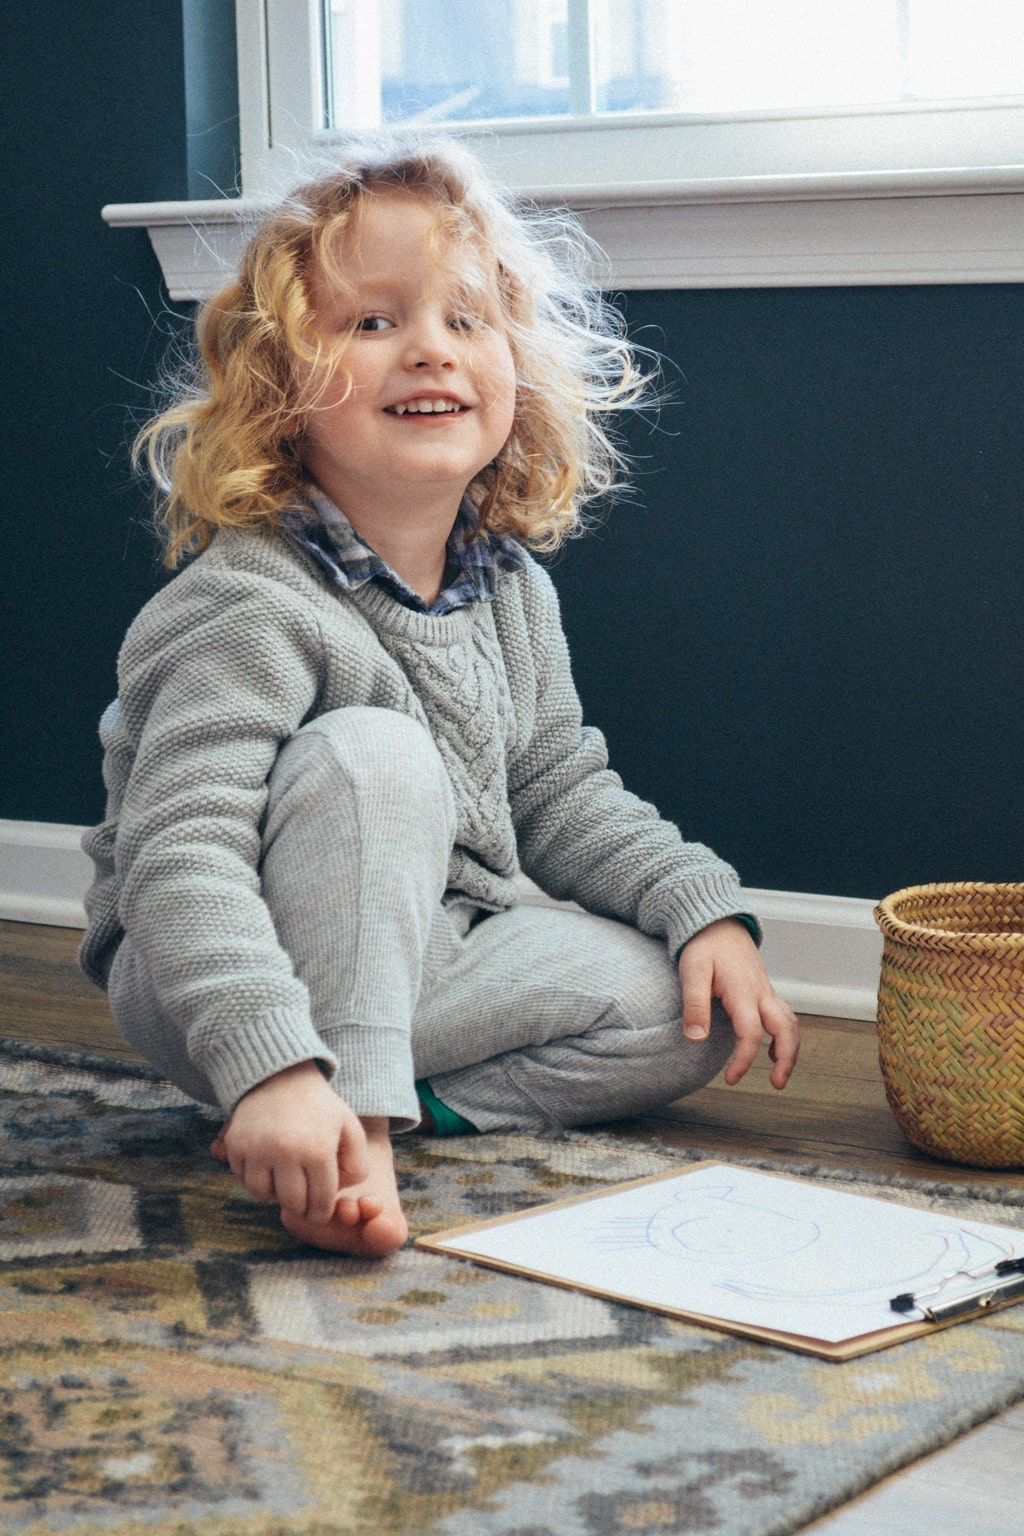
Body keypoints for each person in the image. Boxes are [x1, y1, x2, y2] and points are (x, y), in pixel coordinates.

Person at [79, 137, 799, 1259]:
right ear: (280, 388)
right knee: (374, 753)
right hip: (213, 967)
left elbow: (561, 791)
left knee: (692, 1010)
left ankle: (373, 1094)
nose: (430, 349)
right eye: (373, 321)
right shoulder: (246, 602)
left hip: (433, 945)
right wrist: (265, 1057)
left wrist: (700, 909)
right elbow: (183, 858)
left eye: (466, 319)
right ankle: (333, 1123)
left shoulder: (510, 589)